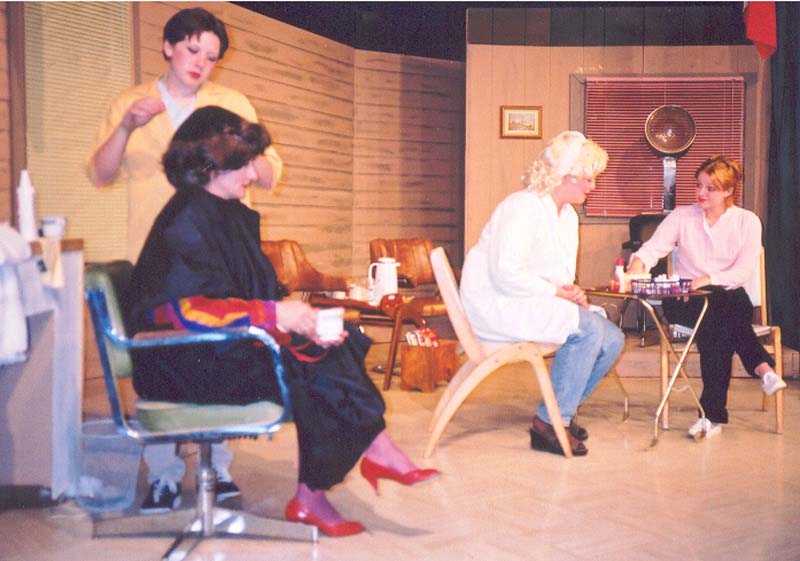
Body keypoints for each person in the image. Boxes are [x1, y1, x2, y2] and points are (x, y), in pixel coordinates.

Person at [127, 105, 438, 537]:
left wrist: (297, 320)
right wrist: (276, 315)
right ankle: (346, 470)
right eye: (243, 164)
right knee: (316, 368)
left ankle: (345, 470)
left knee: (338, 338)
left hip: (216, 350)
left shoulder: (222, 211)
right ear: (210, 166)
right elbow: (182, 311)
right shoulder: (186, 221)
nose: (253, 173)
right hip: (180, 364)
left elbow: (245, 294)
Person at [87, 7, 283, 513]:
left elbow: (269, 173)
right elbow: (100, 174)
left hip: (217, 256)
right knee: (163, 361)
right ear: (169, 46)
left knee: (221, 349)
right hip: (155, 257)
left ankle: (219, 467)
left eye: (212, 57)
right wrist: (127, 127)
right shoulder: (132, 102)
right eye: (193, 50)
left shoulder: (231, 103)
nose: (201, 63)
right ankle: (165, 476)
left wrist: (247, 154)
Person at [459, 131, 624, 457]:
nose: (593, 186)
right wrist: (557, 292)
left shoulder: (567, 217)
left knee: (613, 339)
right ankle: (551, 424)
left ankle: (558, 410)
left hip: (528, 299)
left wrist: (571, 291)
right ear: (566, 175)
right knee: (589, 330)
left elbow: (558, 276)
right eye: (589, 179)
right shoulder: (521, 207)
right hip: (497, 303)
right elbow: (505, 273)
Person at [628, 155, 786, 438]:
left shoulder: (747, 221)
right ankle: (761, 368)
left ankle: (711, 417)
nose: (701, 193)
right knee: (723, 312)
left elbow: (742, 271)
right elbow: (652, 250)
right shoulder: (681, 216)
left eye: (710, 188)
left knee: (718, 321)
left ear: (728, 191)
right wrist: (637, 266)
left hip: (726, 299)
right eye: (698, 185)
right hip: (685, 300)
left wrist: (708, 279)